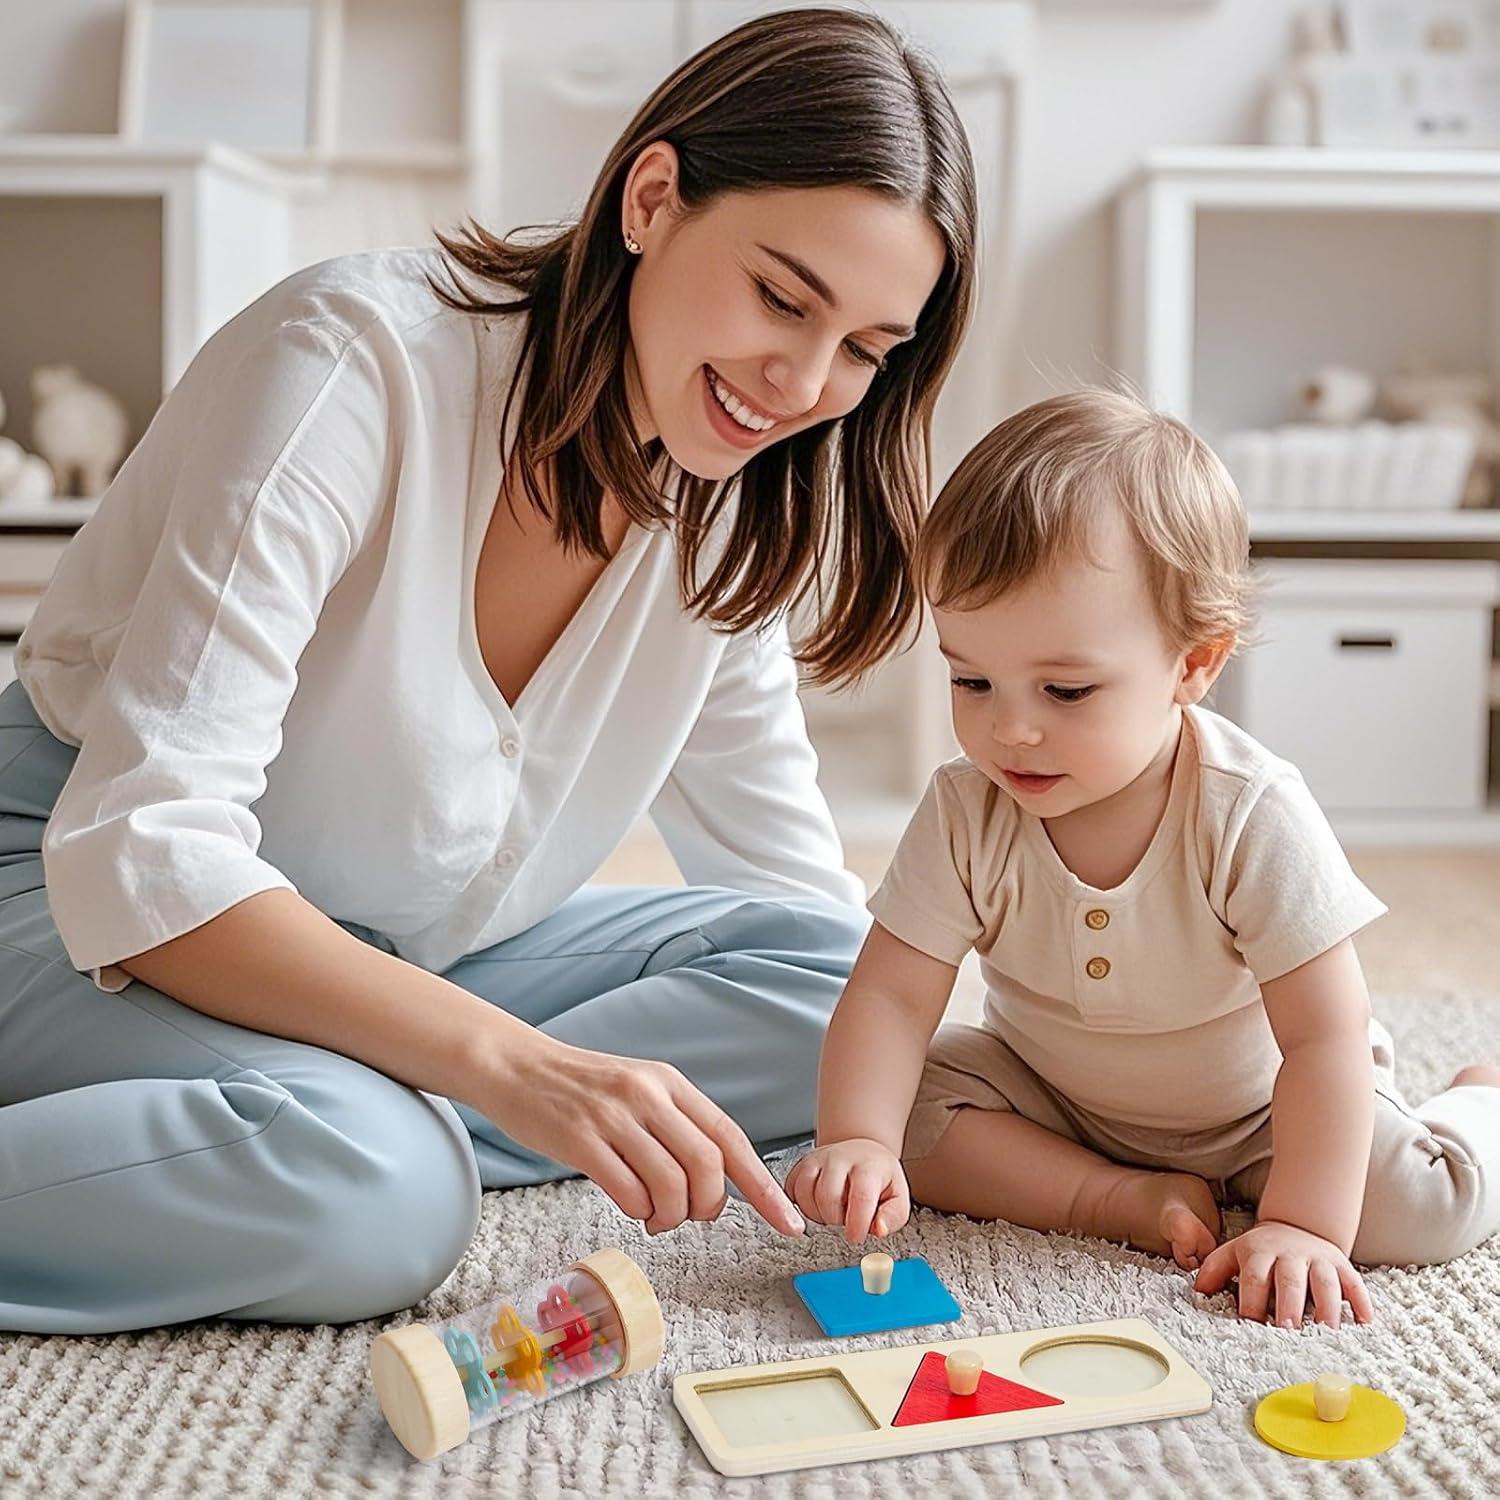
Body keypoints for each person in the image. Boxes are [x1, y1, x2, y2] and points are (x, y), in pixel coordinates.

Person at [0, 8, 978, 1333]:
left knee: (846, 996)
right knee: (380, 1191)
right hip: (80, 905)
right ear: (653, 198)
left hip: (408, 951)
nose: (802, 380)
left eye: (866, 349)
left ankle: (330, 1103)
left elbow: (789, 894)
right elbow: (145, 852)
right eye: (781, 296)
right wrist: (516, 1069)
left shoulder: (731, 497)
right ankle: (354, 1122)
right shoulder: (354, 364)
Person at [786, 389, 1500, 1328]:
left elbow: (1324, 1037)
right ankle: (1113, 1196)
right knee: (898, 1109)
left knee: (1419, 1208)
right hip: (1054, 1095)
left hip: (1263, 1112)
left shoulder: (1248, 810)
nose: (1009, 727)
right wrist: (858, 1140)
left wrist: (1304, 1226)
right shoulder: (967, 809)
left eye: (1067, 689)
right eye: (972, 678)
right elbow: (889, 996)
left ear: (1194, 666)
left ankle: (1478, 1102)